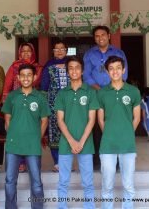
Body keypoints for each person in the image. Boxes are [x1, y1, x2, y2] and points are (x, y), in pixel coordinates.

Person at [2, 64, 51, 209]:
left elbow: (44, 121)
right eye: (22, 75)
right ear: (17, 77)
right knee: (10, 181)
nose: (26, 78)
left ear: (35, 77)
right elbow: (7, 118)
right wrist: (13, 135)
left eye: (29, 75)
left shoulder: (40, 97)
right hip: (13, 145)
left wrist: (37, 137)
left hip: (32, 145)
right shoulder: (12, 96)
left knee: (36, 182)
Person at [55, 56, 99, 209]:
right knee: (63, 180)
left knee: (87, 181)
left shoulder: (90, 92)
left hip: (85, 143)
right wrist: (72, 141)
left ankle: (89, 206)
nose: (74, 71)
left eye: (77, 67)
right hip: (66, 143)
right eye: (71, 68)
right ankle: (62, 206)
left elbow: (92, 120)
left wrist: (80, 142)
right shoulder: (62, 93)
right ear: (67, 71)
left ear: (82, 70)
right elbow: (60, 120)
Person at [97, 56, 141, 209]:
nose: (115, 71)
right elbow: (100, 120)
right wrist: (109, 133)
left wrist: (127, 133)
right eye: (111, 68)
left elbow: (137, 117)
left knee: (128, 185)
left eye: (118, 68)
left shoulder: (134, 91)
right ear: (107, 72)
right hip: (107, 146)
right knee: (107, 185)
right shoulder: (102, 93)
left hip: (128, 145)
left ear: (123, 70)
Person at [83, 25, 129, 170]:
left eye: (103, 35)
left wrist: (112, 88)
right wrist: (100, 89)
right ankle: (97, 161)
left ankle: (117, 161)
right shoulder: (89, 54)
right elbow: (86, 76)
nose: (100, 38)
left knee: (115, 125)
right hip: (96, 95)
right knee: (97, 126)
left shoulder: (118, 52)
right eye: (97, 36)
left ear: (109, 35)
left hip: (115, 93)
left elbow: (124, 74)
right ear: (94, 38)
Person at [2, 42, 43, 172]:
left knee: (31, 131)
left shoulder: (38, 67)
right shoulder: (14, 67)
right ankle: (19, 162)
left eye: (28, 51)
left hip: (33, 103)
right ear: (19, 53)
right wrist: (6, 99)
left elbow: (38, 82)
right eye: (23, 51)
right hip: (16, 102)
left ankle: (29, 162)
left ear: (33, 53)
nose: (26, 53)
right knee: (17, 130)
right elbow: (7, 83)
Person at [41, 41, 69, 172]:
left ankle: (67, 162)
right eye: (56, 49)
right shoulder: (48, 65)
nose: (59, 51)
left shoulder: (72, 64)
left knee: (69, 131)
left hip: (70, 103)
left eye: (62, 49)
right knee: (54, 133)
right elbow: (44, 86)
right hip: (53, 103)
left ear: (66, 50)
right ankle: (57, 162)